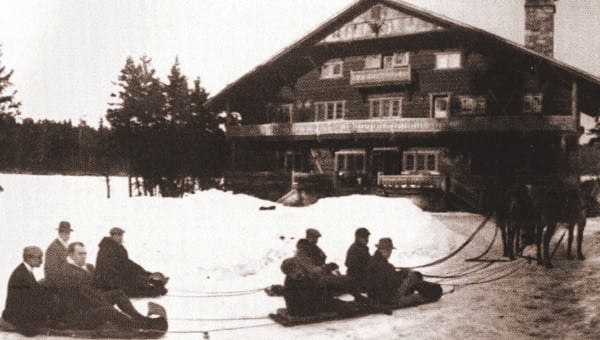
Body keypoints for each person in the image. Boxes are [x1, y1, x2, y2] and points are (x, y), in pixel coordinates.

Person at [55, 242, 167, 331]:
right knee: (107, 310)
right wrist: (109, 306)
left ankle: (140, 318)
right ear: (70, 255)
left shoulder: (84, 268)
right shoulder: (69, 272)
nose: (84, 256)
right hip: (79, 316)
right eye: (80, 254)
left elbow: (94, 290)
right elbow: (86, 296)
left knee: (117, 293)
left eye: (85, 253)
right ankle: (137, 326)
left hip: (89, 303)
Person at [94, 227, 168, 297]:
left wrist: (144, 272)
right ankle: (155, 291)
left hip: (117, 277)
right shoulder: (106, 249)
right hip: (107, 282)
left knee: (137, 278)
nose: (120, 238)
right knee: (133, 287)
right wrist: (132, 277)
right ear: (112, 236)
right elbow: (110, 269)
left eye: (121, 235)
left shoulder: (119, 248)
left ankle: (154, 281)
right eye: (118, 235)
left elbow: (127, 263)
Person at [367, 238, 442, 306]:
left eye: (390, 250)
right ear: (383, 249)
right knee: (414, 277)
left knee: (411, 276)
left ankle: (427, 289)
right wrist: (405, 276)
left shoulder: (375, 260)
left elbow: (389, 277)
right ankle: (431, 292)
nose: (390, 253)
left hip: (377, 297)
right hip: (389, 299)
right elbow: (392, 283)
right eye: (388, 250)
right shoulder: (382, 264)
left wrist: (402, 273)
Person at [2, 246, 49, 337]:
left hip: (19, 316)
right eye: (39, 257)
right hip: (18, 320)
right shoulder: (21, 275)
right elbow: (26, 302)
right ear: (29, 258)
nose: (42, 261)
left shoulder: (24, 271)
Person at [345, 227, 371, 292]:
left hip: (357, 280)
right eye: (364, 237)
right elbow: (351, 265)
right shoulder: (357, 249)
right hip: (357, 282)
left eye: (367, 237)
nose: (367, 240)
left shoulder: (361, 248)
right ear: (358, 238)